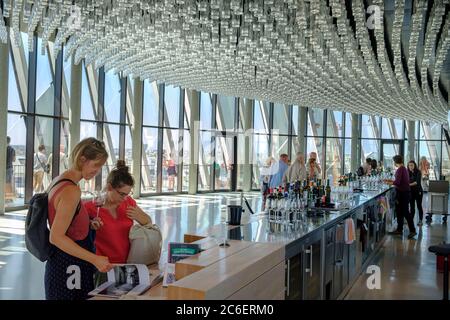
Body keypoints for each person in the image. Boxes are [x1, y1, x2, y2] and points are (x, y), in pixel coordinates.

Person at [45, 137, 112, 300]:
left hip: (64, 265)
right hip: (69, 267)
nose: (97, 171)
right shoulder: (71, 191)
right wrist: (95, 259)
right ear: (82, 159)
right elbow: (56, 237)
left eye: (100, 167)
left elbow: (63, 219)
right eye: (95, 165)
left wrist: (88, 224)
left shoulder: (59, 181)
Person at [84, 160, 151, 264]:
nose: (124, 198)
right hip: (102, 265)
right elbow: (77, 234)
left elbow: (148, 222)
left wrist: (140, 217)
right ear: (110, 187)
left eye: (127, 194)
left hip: (127, 263)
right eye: (121, 194)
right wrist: (89, 225)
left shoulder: (128, 203)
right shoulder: (91, 207)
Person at [386, 155, 416, 239]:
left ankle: (413, 230)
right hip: (404, 192)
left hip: (403, 193)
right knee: (399, 211)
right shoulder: (404, 169)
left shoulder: (400, 169)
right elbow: (399, 181)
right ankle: (399, 229)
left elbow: (398, 182)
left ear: (395, 162)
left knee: (405, 212)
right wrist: (391, 181)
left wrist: (390, 183)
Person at [407, 160, 424, 226]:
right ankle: (411, 220)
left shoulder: (418, 172)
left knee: (419, 206)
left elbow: (417, 182)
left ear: (414, 165)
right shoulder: (408, 172)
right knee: (412, 207)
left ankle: (420, 220)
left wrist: (408, 185)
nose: (410, 167)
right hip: (411, 192)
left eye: (412, 165)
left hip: (418, 191)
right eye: (409, 165)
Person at [5, 136, 16, 202]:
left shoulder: (3, 148)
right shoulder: (12, 149)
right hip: (9, 168)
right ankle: (9, 198)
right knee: (9, 183)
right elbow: (14, 160)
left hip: (3, 168)